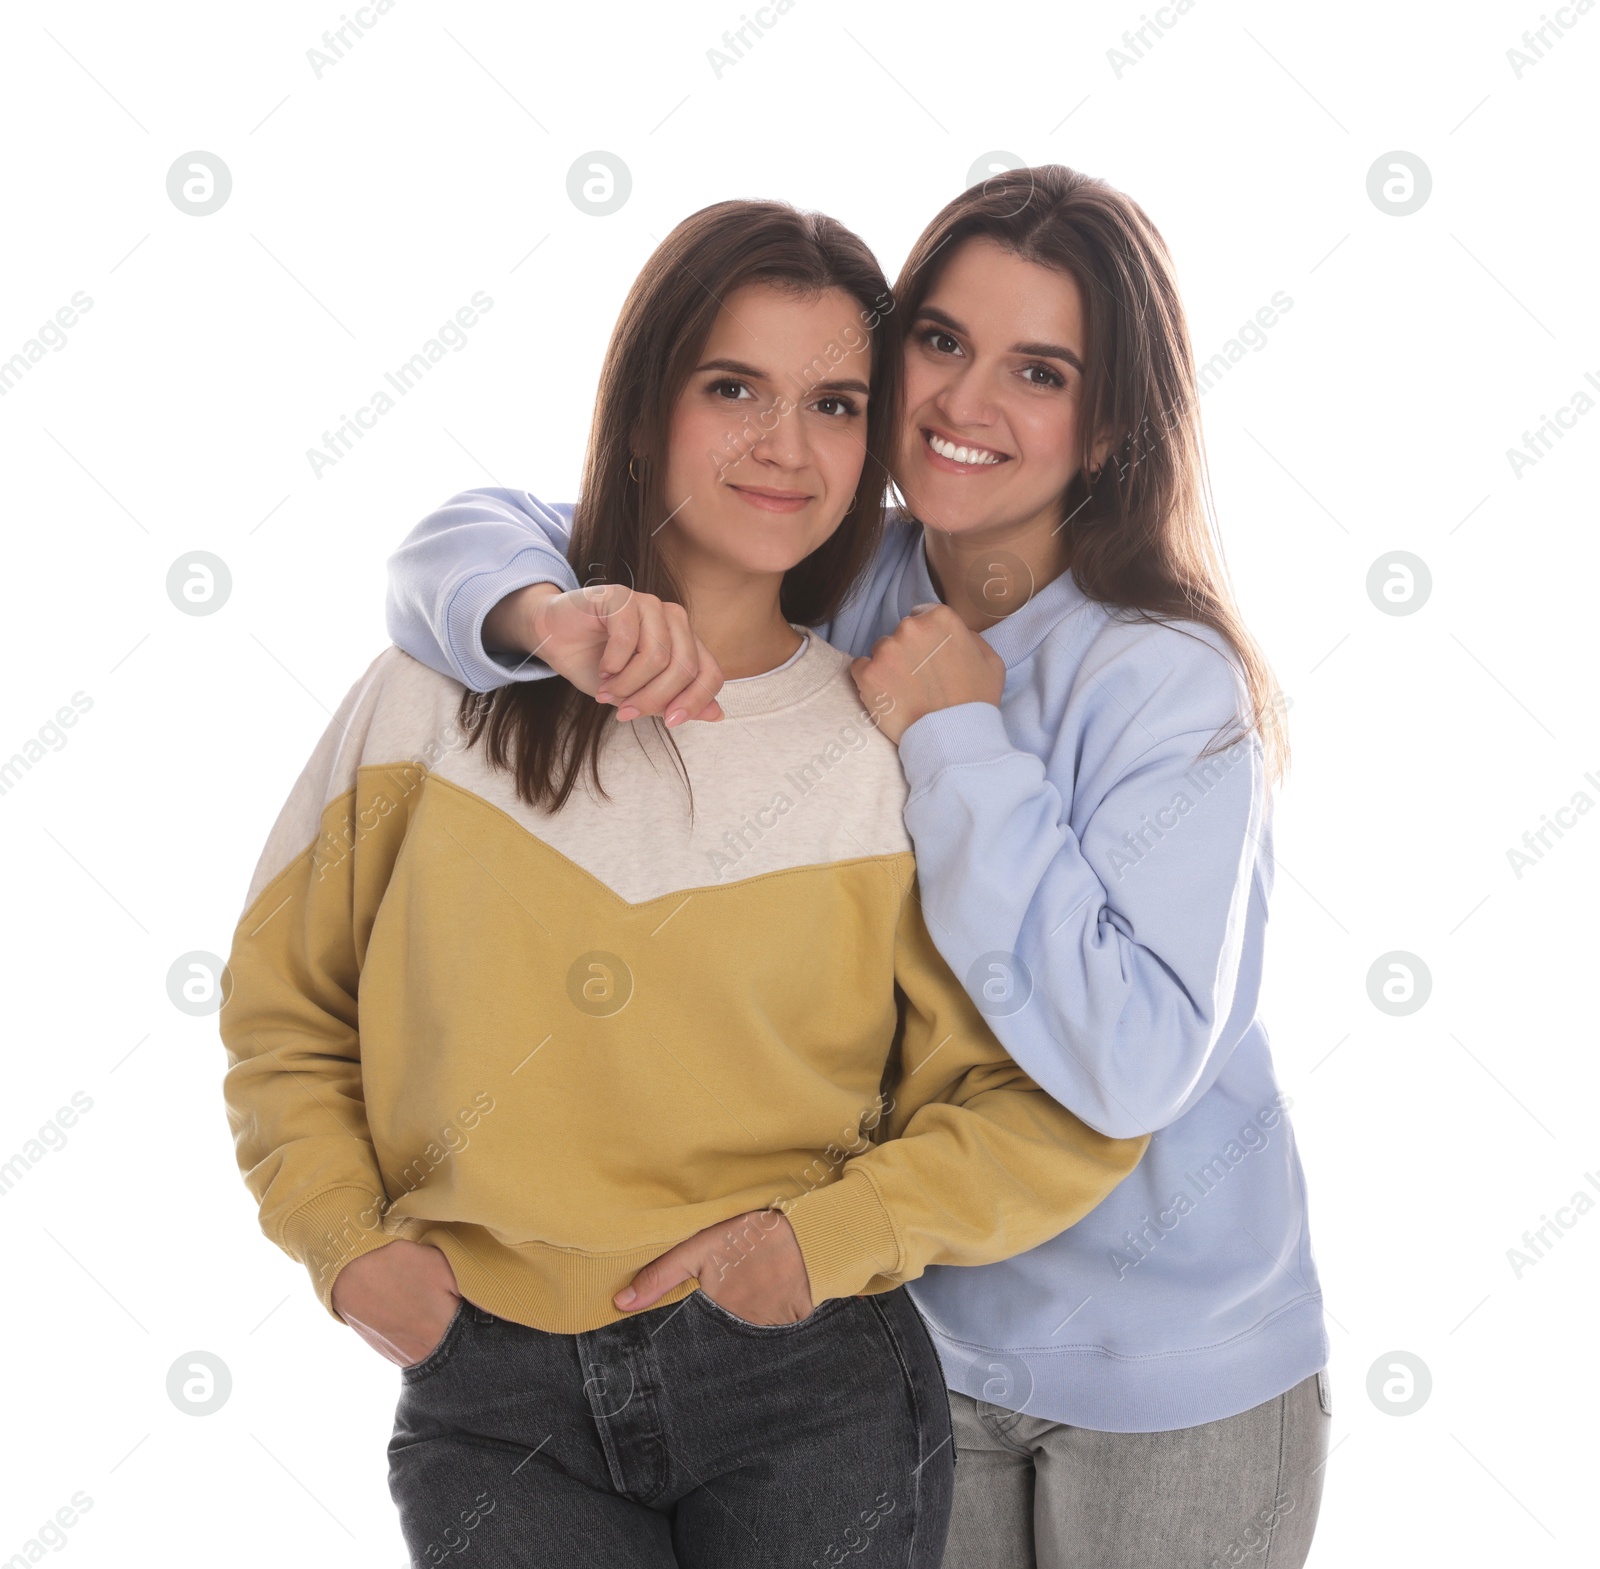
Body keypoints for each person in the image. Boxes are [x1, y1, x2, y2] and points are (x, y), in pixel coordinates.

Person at [383, 164, 1333, 1569]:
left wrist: (959, 736)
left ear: (1116, 417)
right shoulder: (856, 571)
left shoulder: (1165, 680)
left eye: (1040, 369)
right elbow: (460, 539)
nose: (963, 401)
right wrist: (541, 609)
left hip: (1170, 1371)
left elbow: (1133, 1061)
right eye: (941, 344)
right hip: (904, 1323)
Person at [218, 196, 1147, 1569]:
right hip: (494, 1393)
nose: (786, 446)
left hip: (804, 1382)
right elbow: (286, 1009)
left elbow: (1058, 1099)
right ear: (647, 404)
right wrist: (345, 1242)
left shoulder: (888, 747)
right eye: (735, 389)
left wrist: (827, 1240)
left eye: (836, 404)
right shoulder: (435, 692)